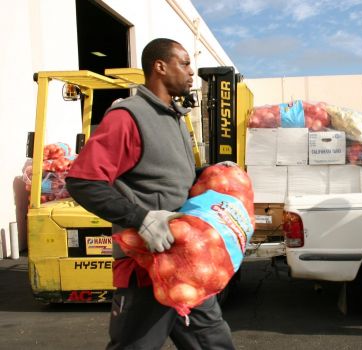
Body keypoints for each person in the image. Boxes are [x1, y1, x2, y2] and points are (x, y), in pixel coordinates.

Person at [66, 38, 236, 349]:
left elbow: (169, 178)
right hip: (147, 270)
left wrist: (212, 173)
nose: (191, 71)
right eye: (184, 63)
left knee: (215, 343)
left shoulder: (176, 118)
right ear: (159, 67)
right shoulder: (128, 117)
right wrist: (141, 219)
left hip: (187, 265)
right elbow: (83, 181)